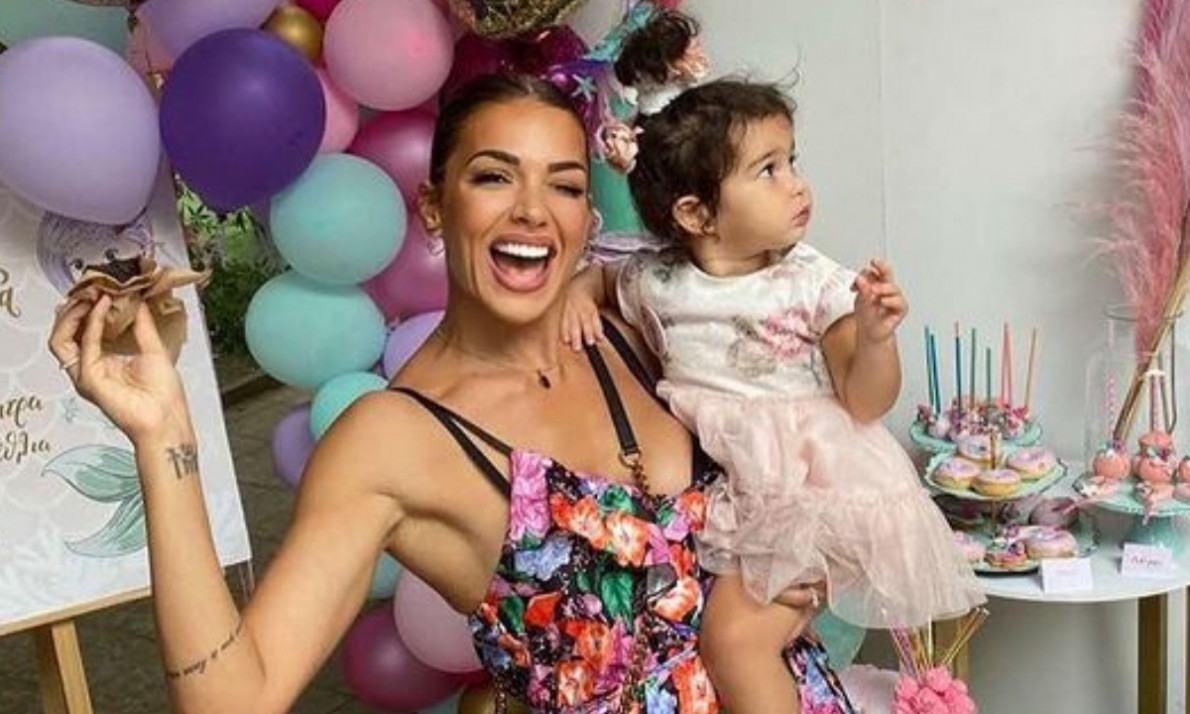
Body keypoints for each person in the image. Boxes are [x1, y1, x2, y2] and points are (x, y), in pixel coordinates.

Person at [47, 73, 857, 714]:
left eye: (565, 186)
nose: (532, 211)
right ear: (435, 207)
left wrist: (805, 555)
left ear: (586, 218)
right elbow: (231, 700)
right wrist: (163, 435)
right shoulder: (392, 441)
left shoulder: (638, 333)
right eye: (494, 177)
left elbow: (800, 437)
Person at [563, 74, 986, 714]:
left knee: (734, 643)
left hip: (821, 490)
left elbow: (865, 402)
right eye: (768, 170)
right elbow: (602, 278)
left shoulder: (813, 281)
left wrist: (875, 338)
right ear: (696, 215)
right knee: (717, 637)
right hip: (744, 495)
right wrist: (576, 294)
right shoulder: (658, 281)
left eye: (792, 161)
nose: (796, 184)